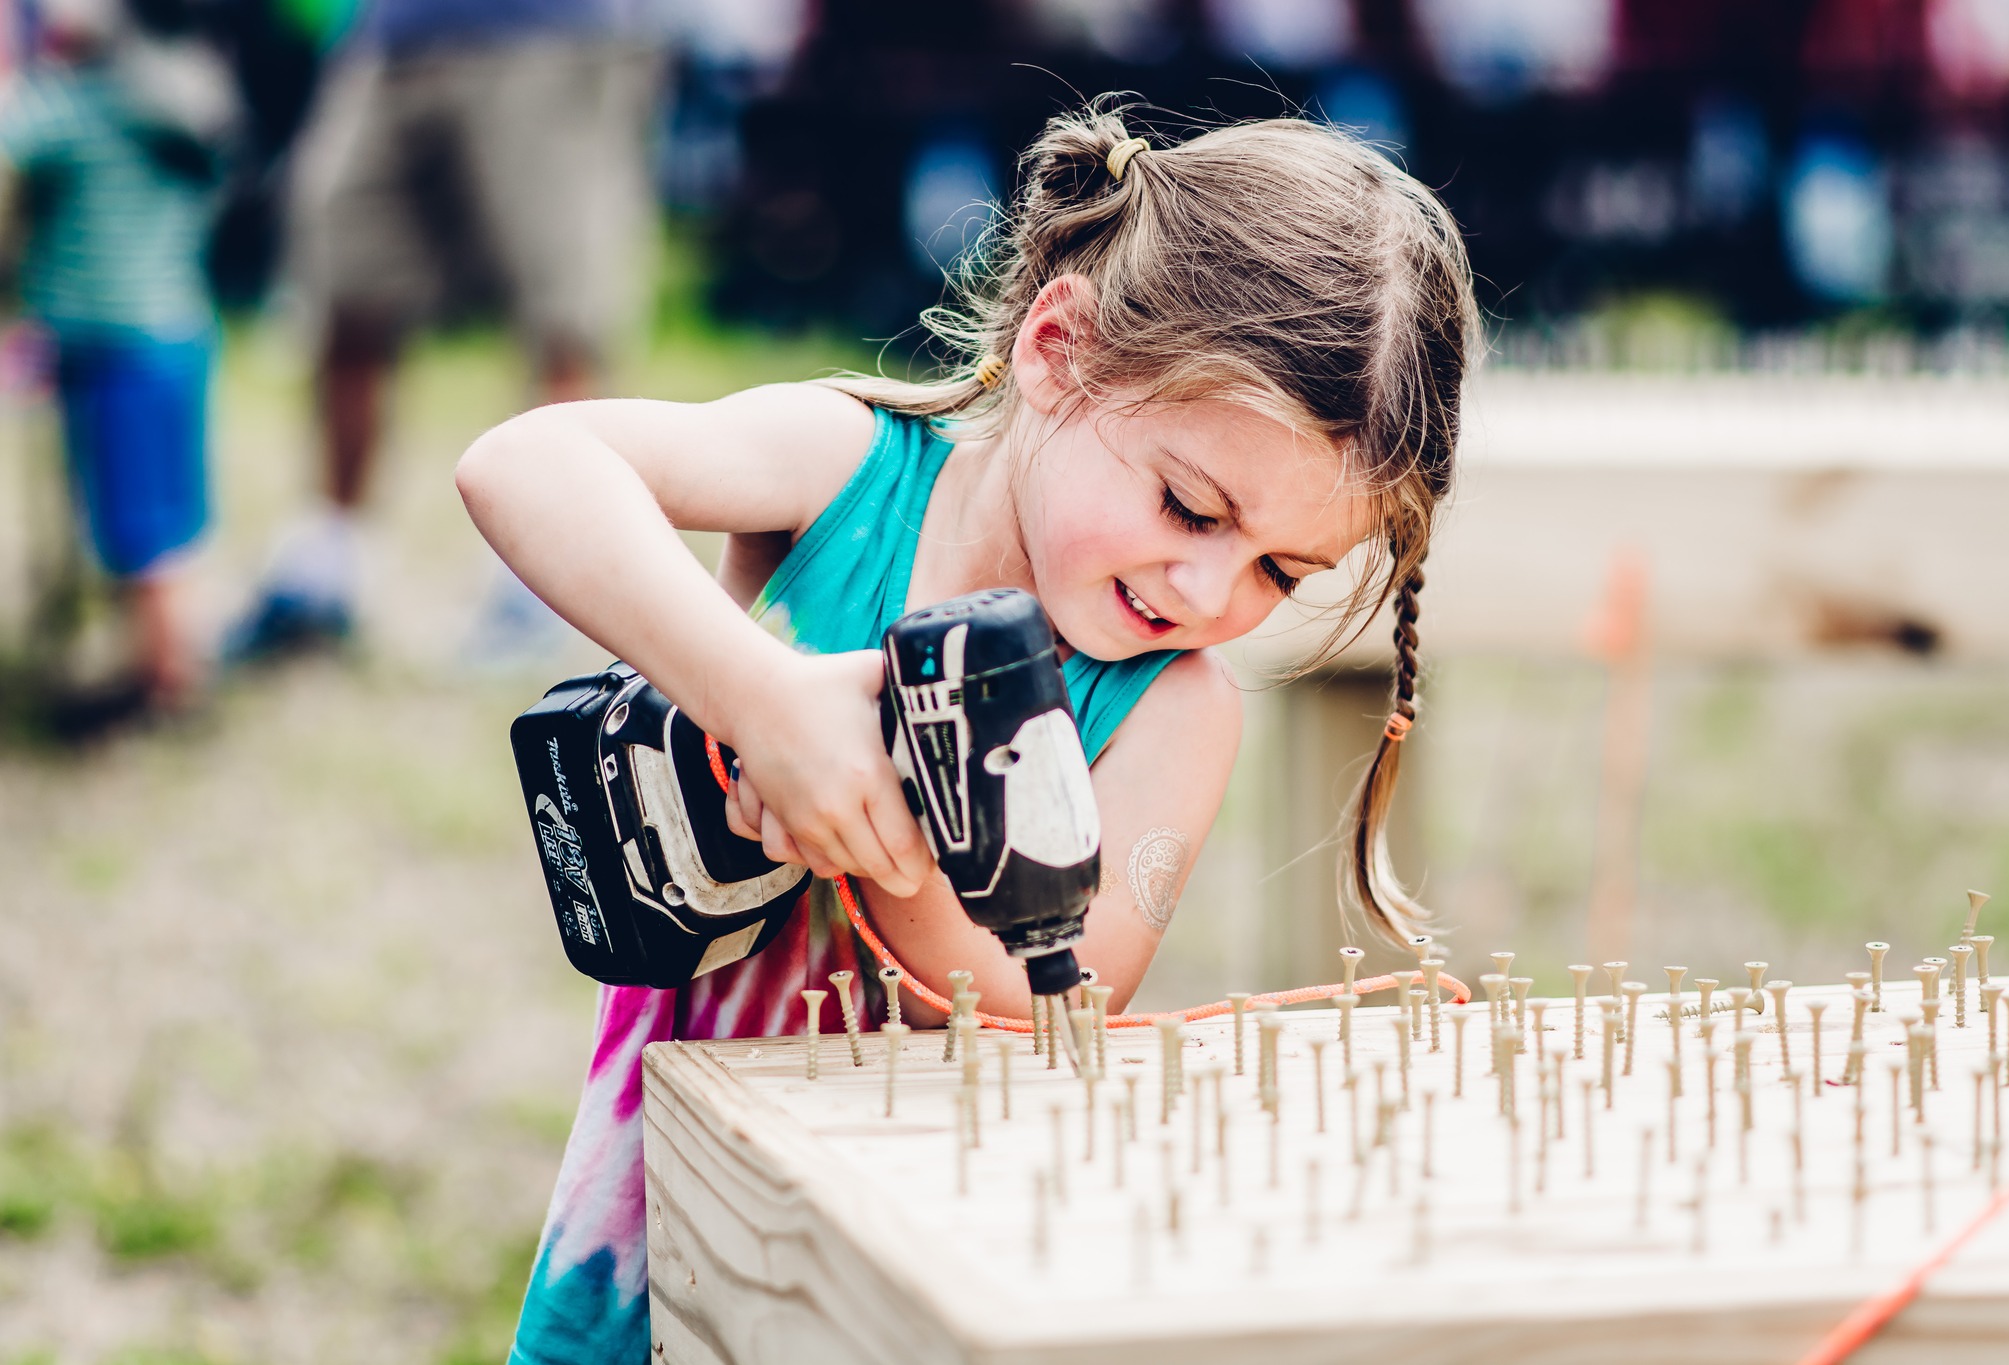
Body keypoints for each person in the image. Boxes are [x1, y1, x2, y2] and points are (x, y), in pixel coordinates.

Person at [456, 102, 1478, 1365]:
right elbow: (524, 463)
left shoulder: (1176, 703)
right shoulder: (847, 477)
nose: (1208, 597)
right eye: (1187, 507)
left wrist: (884, 836)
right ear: (1057, 347)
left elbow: (1062, 997)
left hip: (939, 1247)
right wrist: (759, 704)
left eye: (1281, 571)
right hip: (669, 1200)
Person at [230, 0, 660, 660]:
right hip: (390, 35)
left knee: (561, 313)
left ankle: (547, 588)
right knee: (346, 287)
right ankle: (325, 572)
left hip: (553, 33)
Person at [0, 0, 232, 727]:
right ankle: (167, 661)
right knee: (171, 516)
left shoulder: (75, 101)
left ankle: (168, 685)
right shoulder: (185, 90)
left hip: (112, 346)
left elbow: (13, 139)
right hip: (180, 331)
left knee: (136, 527)